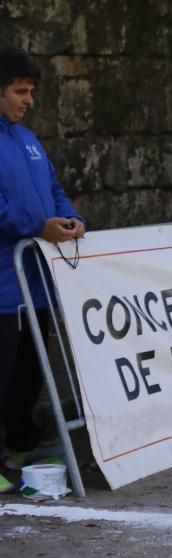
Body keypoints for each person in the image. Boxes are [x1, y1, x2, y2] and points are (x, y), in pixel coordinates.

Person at [0, 48, 86, 494]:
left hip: (35, 287)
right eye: (20, 91)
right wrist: (37, 227)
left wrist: (70, 219)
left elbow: (53, 189)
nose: (28, 100)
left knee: (32, 373)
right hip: (3, 288)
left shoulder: (28, 141)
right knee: (4, 373)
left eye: (30, 92)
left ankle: (19, 446)